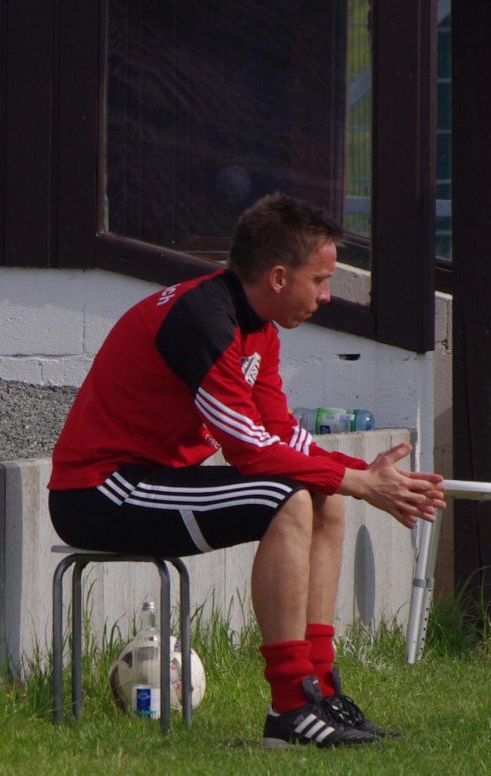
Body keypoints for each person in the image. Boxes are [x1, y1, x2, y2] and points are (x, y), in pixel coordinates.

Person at [48, 193, 447, 748]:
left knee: (321, 493)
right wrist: (361, 482)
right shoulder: (202, 318)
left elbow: (282, 432)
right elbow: (249, 450)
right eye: (321, 280)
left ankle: (320, 690)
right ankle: (289, 708)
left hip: (156, 483)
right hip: (102, 491)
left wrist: (363, 472)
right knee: (291, 497)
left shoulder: (257, 326)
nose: (327, 295)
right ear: (280, 277)